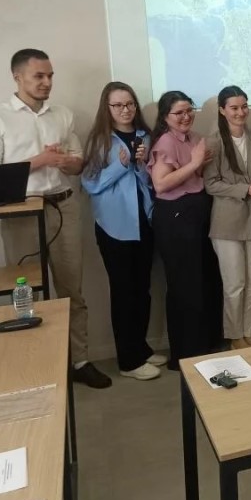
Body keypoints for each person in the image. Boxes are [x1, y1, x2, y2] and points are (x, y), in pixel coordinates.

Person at [0, 49, 111, 389]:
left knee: (71, 290)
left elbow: (78, 164)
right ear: (18, 77)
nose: (47, 82)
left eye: (50, 76)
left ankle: (79, 361)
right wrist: (40, 160)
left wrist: (67, 162)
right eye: (39, 76)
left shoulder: (62, 115)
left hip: (64, 206)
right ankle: (32, 367)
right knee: (26, 293)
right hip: (22, 212)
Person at [81, 81, 165, 381]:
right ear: (107, 108)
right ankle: (128, 361)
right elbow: (90, 184)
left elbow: (149, 180)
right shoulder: (100, 139)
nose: (125, 110)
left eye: (130, 104)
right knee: (124, 293)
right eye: (118, 105)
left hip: (144, 221)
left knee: (143, 290)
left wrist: (140, 164)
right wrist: (120, 165)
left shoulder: (145, 135)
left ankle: (140, 348)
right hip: (114, 226)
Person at [148, 91, 222, 369]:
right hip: (176, 219)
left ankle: (204, 345)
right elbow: (161, 184)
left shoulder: (194, 138)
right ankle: (185, 353)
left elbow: (196, 175)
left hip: (197, 214)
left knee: (203, 280)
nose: (186, 116)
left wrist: (198, 165)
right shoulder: (166, 141)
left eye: (189, 110)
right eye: (178, 112)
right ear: (166, 116)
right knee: (184, 286)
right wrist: (194, 163)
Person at [205, 86, 251, 350]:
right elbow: (211, 184)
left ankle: (248, 332)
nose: (240, 112)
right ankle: (234, 336)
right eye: (234, 107)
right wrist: (246, 189)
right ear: (222, 110)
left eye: (244, 106)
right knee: (235, 284)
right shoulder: (214, 142)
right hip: (227, 224)